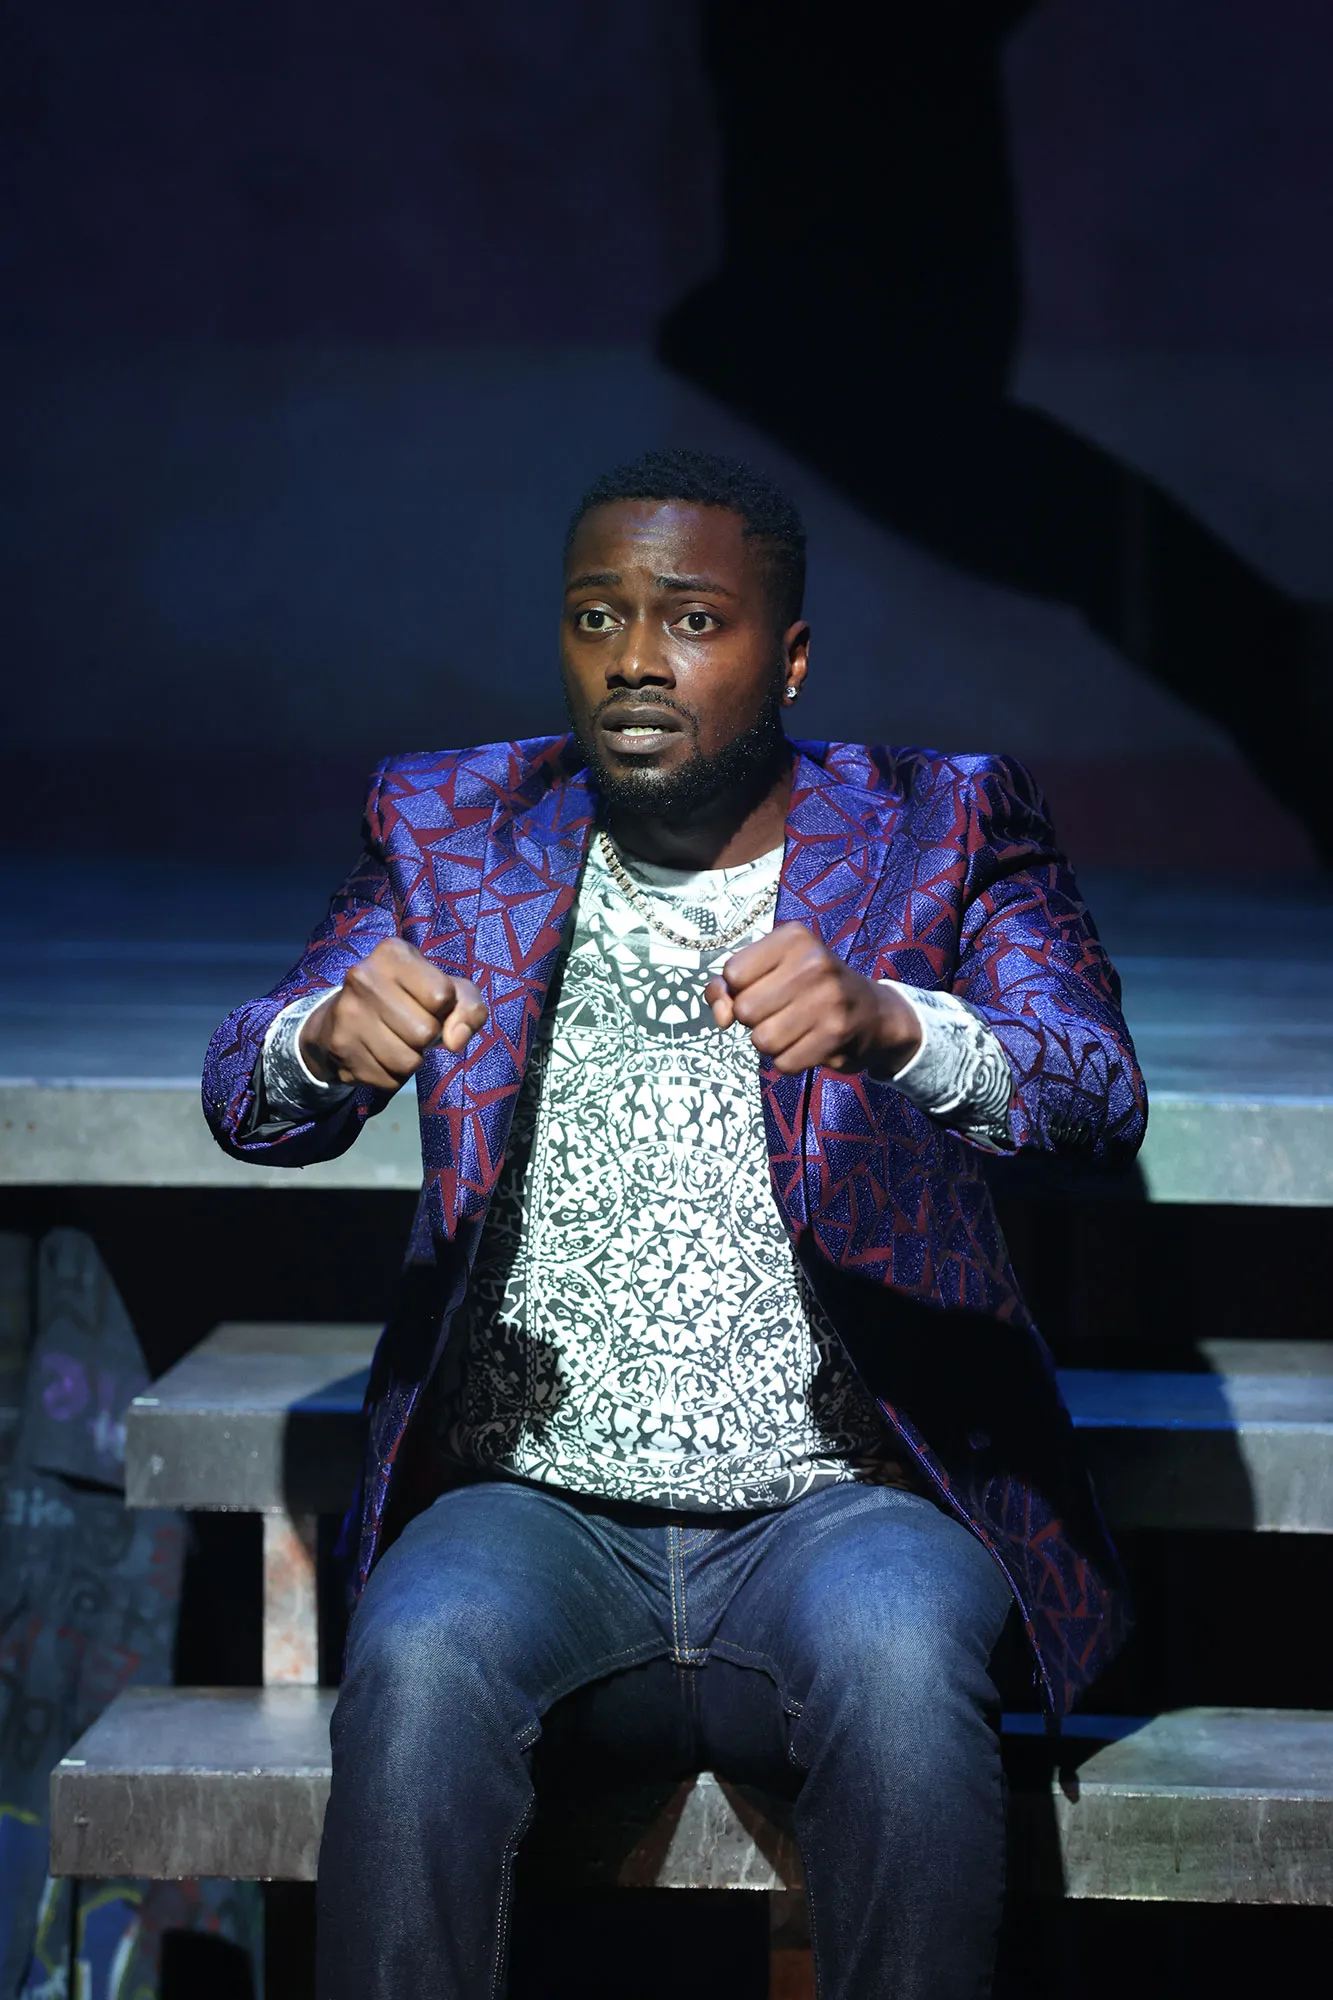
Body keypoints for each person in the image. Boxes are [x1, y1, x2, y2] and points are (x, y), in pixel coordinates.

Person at [202, 448, 1146, 2000]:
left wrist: (896, 1026)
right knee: (420, 1657)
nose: (637, 657)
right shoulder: (451, 827)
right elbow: (248, 1090)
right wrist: (320, 1039)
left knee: (909, 1670)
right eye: (597, 617)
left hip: (848, 1508)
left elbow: (1097, 1092)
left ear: (788, 656)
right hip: (540, 1511)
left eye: (691, 619)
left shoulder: (940, 826)